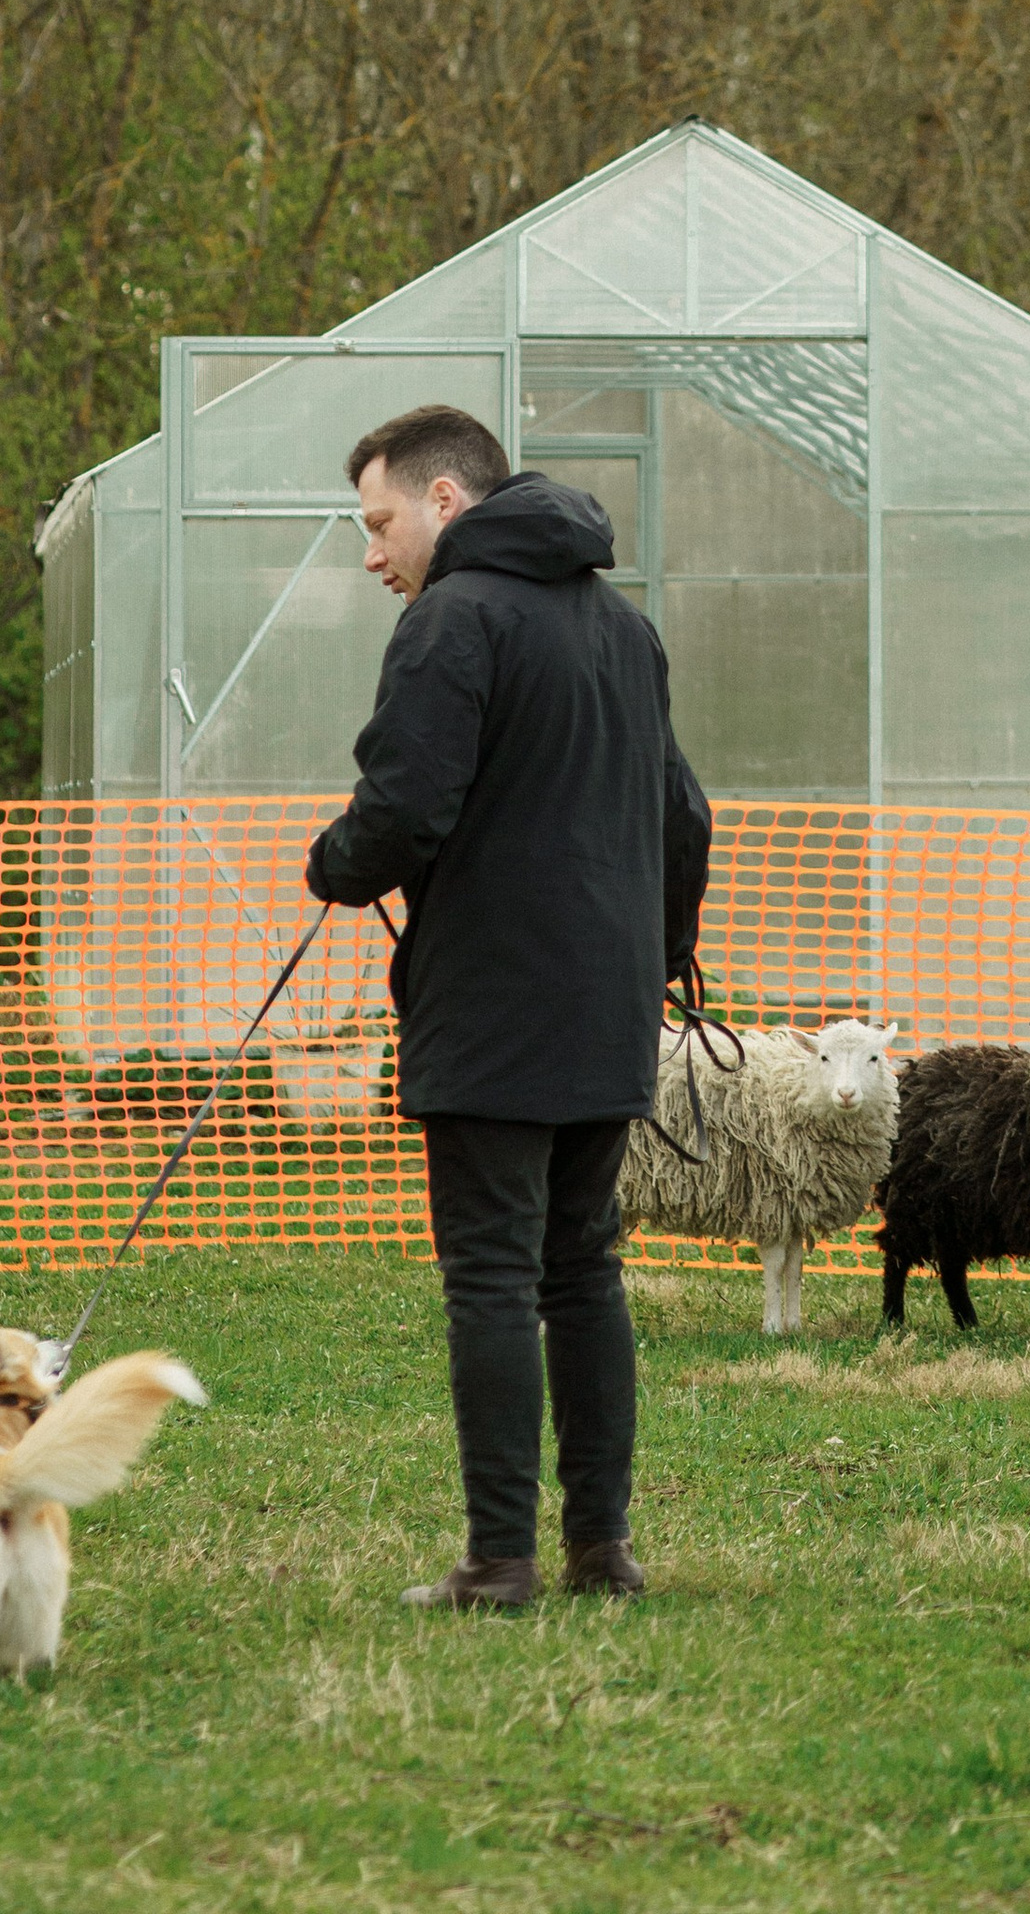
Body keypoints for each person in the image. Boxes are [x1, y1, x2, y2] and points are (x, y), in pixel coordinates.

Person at [304, 402, 711, 1614]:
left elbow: (406, 806)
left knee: (489, 1276)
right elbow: (682, 819)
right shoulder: (623, 628)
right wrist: (655, 958)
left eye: (379, 524)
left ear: (444, 501)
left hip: (491, 1003)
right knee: (582, 1270)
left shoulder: (454, 620)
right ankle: (603, 1550)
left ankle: (498, 1561)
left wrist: (335, 863)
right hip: (605, 1005)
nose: (371, 554)